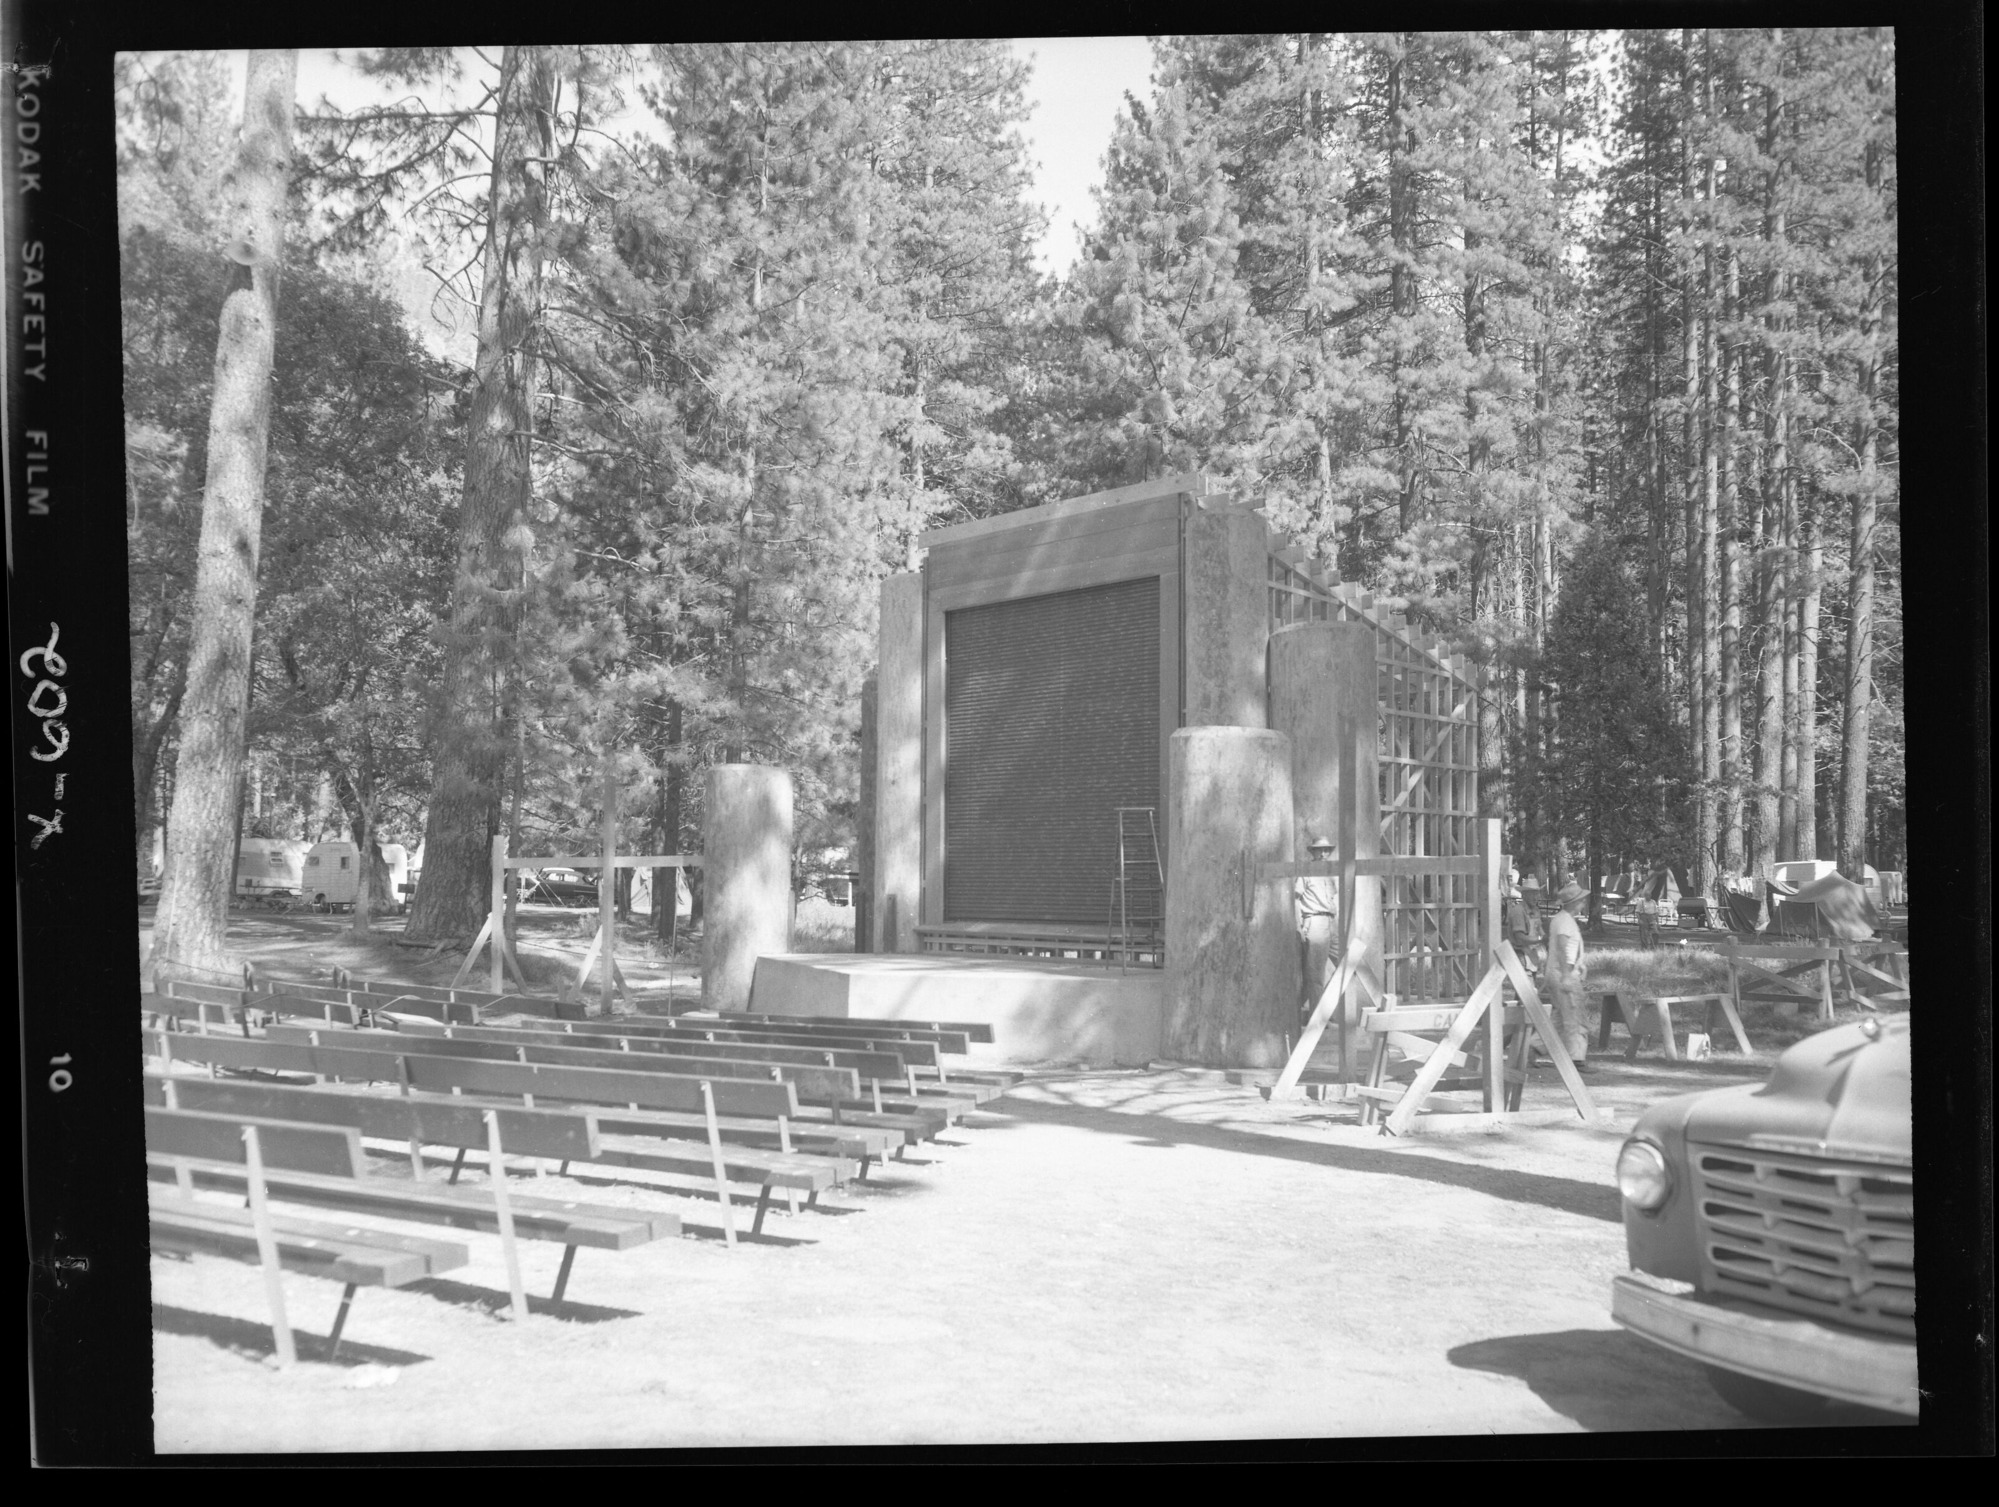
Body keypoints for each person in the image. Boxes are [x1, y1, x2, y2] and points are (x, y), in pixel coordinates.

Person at [1545, 880, 1591, 1066]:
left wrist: (1580, 964)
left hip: (1561, 972)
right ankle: (1576, 1058)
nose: (1583, 904)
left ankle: (1533, 1047)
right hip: (1564, 974)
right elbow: (1563, 949)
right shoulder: (1564, 921)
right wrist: (1566, 975)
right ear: (1573, 903)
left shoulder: (1563, 920)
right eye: (1581, 901)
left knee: (1558, 1018)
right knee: (1574, 1016)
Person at [1295, 833, 1340, 1023]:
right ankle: (1317, 1022)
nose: (1323, 854)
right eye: (1319, 850)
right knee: (1315, 977)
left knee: (1347, 965)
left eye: (1326, 851)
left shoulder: (1331, 873)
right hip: (1314, 921)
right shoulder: (1306, 871)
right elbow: (1296, 899)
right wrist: (1299, 925)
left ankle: (1327, 1011)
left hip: (1331, 922)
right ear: (1313, 852)